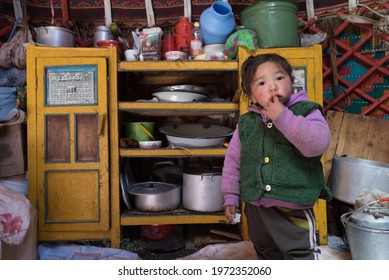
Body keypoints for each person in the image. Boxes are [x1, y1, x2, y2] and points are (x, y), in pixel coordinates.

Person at [221, 53, 332, 260]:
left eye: (279, 78)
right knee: (266, 253)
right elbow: (234, 161)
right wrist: (231, 196)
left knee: (299, 256)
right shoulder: (247, 123)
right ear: (252, 95)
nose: (272, 87)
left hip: (293, 207)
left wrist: (282, 116)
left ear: (292, 81)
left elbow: (317, 144)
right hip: (255, 208)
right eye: (262, 83)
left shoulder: (306, 112)